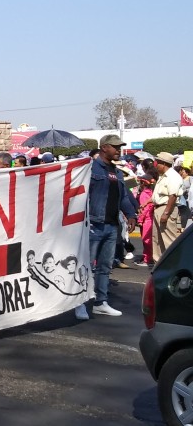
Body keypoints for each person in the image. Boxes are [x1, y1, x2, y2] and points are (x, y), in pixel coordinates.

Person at [75, 135, 136, 320]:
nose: (119, 150)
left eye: (120, 147)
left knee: (105, 267)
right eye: (116, 147)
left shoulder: (117, 172)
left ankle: (101, 302)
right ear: (104, 147)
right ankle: (80, 303)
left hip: (111, 226)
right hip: (94, 224)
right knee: (86, 266)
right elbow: (80, 195)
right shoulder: (90, 168)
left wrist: (131, 214)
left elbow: (123, 196)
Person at [151, 152, 184, 262]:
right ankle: (160, 264)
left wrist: (166, 213)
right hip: (159, 208)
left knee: (168, 239)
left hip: (166, 209)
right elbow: (157, 195)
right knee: (157, 239)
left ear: (164, 164)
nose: (156, 165)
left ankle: (175, 264)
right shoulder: (163, 176)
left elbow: (173, 196)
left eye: (158, 163)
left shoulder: (173, 176)